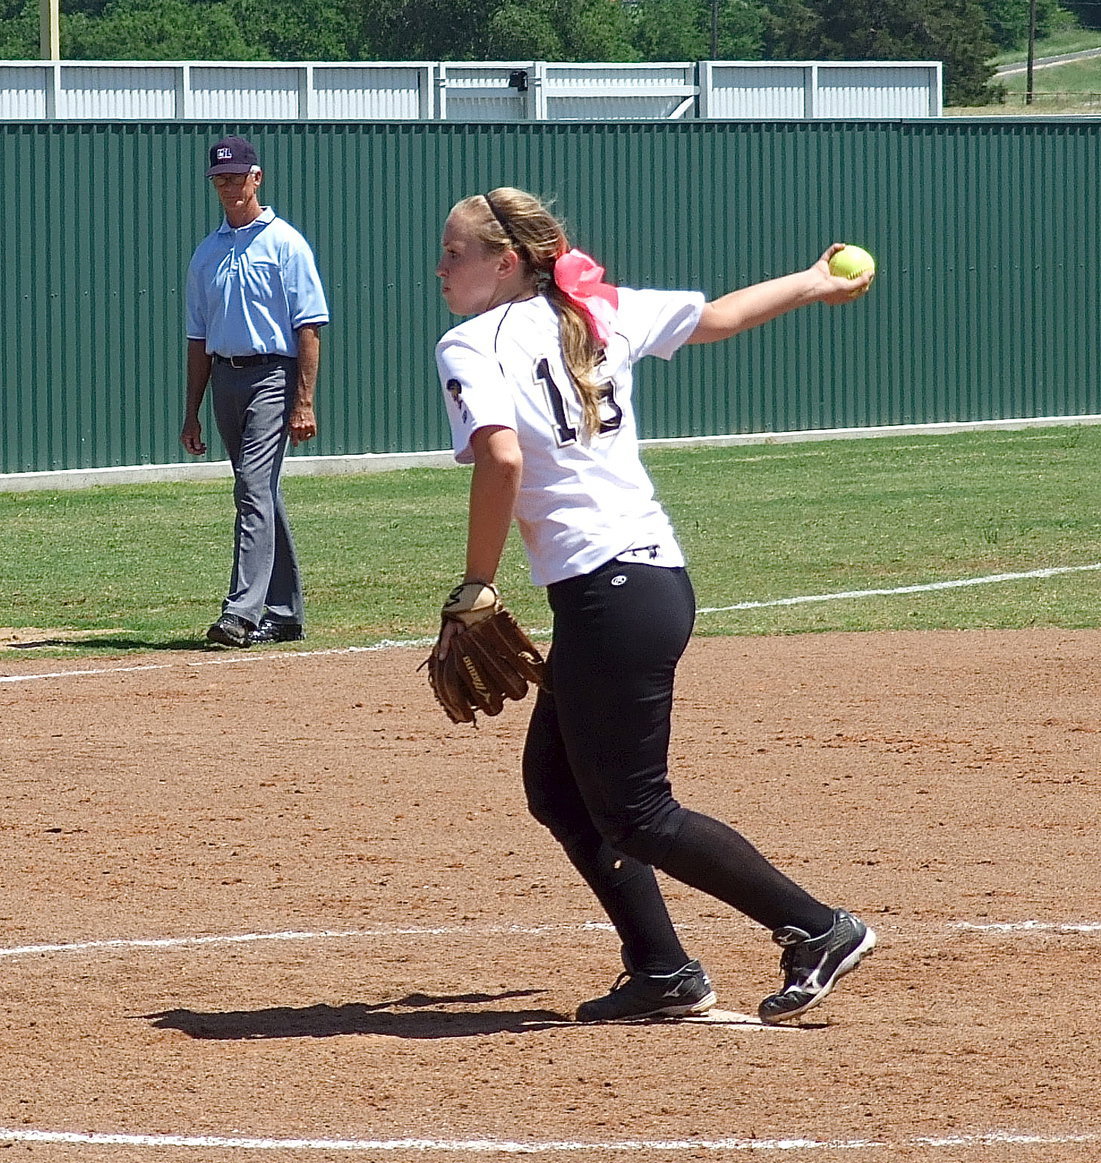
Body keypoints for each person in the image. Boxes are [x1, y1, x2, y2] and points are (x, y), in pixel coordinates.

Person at [433, 187, 877, 1024]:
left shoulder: (469, 341)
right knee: (560, 791)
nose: (440, 267)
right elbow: (719, 317)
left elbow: (499, 460)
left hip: (611, 592)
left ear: (505, 261)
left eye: (454, 252)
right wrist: (813, 281)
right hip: (643, 584)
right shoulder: (595, 314)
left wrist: (475, 585)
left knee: (636, 811)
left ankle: (816, 928)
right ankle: (662, 970)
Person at [181, 136, 329, 648]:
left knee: (251, 488)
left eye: (236, 176)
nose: (228, 186)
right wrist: (191, 411)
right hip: (225, 376)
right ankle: (285, 614)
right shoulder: (207, 253)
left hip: (272, 375)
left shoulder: (286, 243)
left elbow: (309, 325)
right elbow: (198, 338)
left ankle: (241, 613)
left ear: (256, 177)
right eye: (219, 178)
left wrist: (303, 399)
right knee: (260, 490)